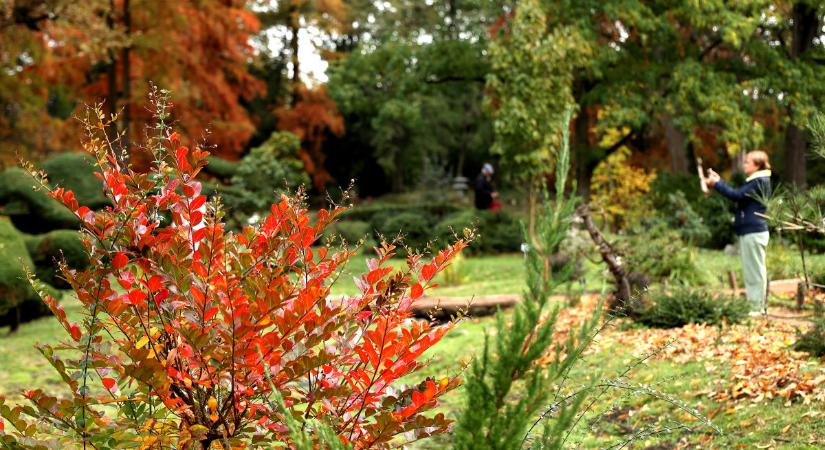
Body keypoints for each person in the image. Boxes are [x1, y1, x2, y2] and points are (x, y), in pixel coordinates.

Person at [705, 151, 772, 316]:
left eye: (748, 162)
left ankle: (758, 308)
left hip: (754, 232)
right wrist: (719, 181)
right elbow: (739, 194)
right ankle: (754, 306)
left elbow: (736, 195)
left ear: (757, 165)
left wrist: (716, 184)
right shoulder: (755, 181)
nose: (744, 164)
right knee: (750, 271)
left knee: (755, 271)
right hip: (749, 233)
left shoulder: (760, 181)